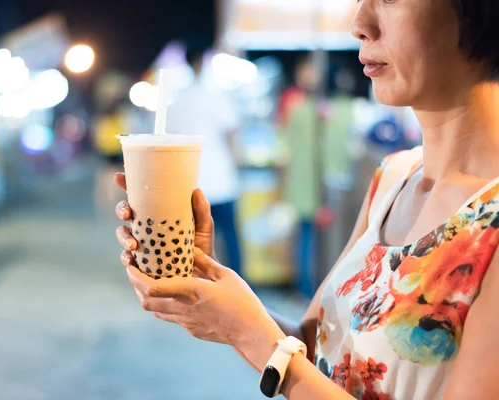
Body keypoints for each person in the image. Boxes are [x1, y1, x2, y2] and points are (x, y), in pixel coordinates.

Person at [115, 1, 499, 398]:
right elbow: (313, 348)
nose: (359, 25)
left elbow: (284, 355)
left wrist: (249, 333)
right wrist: (216, 296)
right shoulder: (394, 177)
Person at [166, 45, 243, 275]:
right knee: (229, 236)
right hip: (220, 180)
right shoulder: (215, 95)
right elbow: (231, 134)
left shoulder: (177, 99)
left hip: (190, 182)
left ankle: (193, 277)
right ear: (202, 62)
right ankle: (237, 281)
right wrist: (236, 161)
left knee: (190, 237)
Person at [277, 57, 323, 297]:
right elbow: (284, 142)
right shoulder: (296, 102)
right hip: (302, 181)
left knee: (307, 234)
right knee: (304, 234)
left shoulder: (313, 104)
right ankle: (304, 285)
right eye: (307, 71)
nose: (310, 76)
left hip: (310, 182)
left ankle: (306, 285)